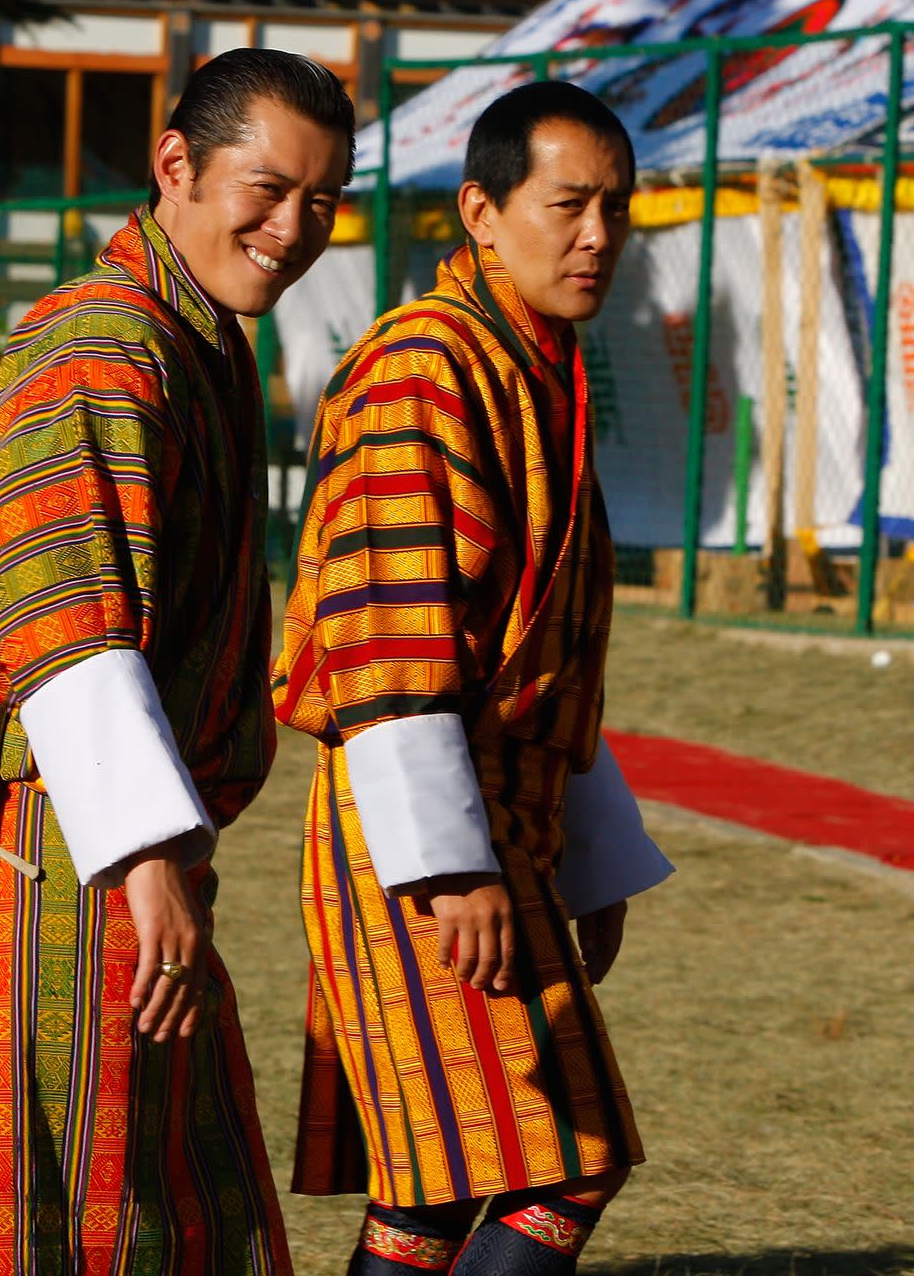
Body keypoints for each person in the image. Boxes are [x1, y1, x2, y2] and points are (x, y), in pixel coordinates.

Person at [0, 48, 355, 1276]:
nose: (291, 230)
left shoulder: (197, 335)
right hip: (65, 859)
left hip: (133, 856)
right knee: (34, 1210)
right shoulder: (102, 344)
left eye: (322, 203)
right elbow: (56, 600)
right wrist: (147, 854)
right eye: (265, 191)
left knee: (149, 1195)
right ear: (175, 165)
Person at [273, 81, 672, 1274]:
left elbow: (557, 650)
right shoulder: (420, 366)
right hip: (417, 835)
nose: (597, 235)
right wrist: (454, 870)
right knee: (568, 1150)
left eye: (615, 207)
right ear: (481, 212)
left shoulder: (532, 364)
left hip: (500, 820)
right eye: (566, 205)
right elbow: (387, 624)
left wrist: (581, 860)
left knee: (445, 1180)